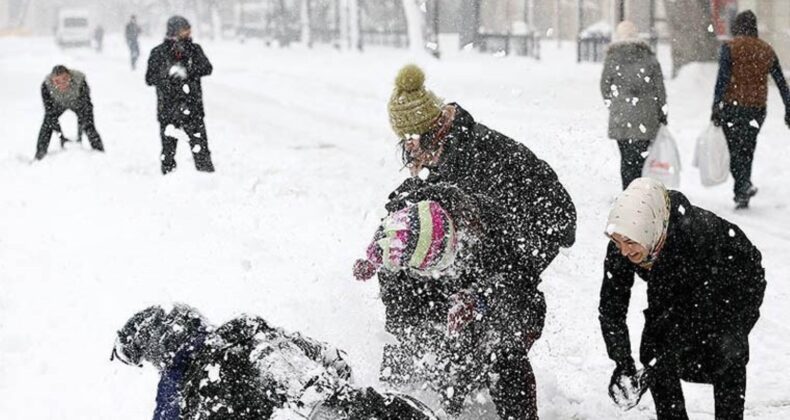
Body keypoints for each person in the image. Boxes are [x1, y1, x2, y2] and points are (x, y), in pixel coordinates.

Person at [366, 64, 577, 419]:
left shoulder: (486, 159)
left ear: (435, 132)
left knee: (497, 340)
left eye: (413, 145)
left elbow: (554, 226)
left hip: (524, 249)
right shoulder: (443, 159)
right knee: (418, 316)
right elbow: (408, 203)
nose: (411, 156)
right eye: (405, 146)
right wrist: (388, 240)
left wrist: (482, 294)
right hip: (476, 255)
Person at [598, 178, 766, 420]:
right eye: (617, 242)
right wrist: (622, 363)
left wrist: (655, 365)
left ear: (650, 231)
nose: (624, 250)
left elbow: (681, 313)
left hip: (734, 281)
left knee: (726, 352)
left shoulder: (693, 235)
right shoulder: (626, 237)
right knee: (654, 352)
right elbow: (611, 306)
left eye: (631, 243)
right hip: (683, 287)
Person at [111, 304, 436, 420]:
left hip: (235, 396)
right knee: (352, 405)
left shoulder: (179, 387)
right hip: (278, 363)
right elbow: (333, 359)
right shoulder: (244, 328)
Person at [711, 10, 790, 209]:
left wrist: (716, 105)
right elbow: (781, 81)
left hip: (732, 107)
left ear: (737, 26)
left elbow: (722, 80)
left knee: (735, 150)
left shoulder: (730, 47)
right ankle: (743, 189)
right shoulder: (766, 50)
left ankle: (742, 186)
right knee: (747, 148)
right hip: (757, 109)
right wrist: (788, 107)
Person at [600, 21, 668, 190]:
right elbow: (660, 88)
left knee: (626, 158)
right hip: (646, 115)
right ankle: (638, 191)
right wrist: (662, 112)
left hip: (621, 116)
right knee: (640, 159)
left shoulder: (612, 57)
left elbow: (605, 86)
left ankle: (628, 191)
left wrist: (615, 104)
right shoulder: (649, 57)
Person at [145, 16, 215, 174]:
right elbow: (149, 78)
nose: (189, 32)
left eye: (189, 28)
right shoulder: (158, 52)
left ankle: (208, 182)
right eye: (185, 29)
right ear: (174, 31)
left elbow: (207, 68)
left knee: (201, 150)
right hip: (168, 110)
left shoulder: (194, 49)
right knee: (168, 152)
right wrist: (167, 75)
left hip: (193, 108)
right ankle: (169, 183)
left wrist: (187, 72)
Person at [36, 65, 105, 160]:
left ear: (70, 76)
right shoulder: (46, 86)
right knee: (47, 124)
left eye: (65, 79)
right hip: (57, 104)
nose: (62, 84)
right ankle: (40, 154)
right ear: (52, 81)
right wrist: (61, 137)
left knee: (88, 125)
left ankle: (99, 152)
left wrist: (79, 135)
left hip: (77, 102)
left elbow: (86, 107)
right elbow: (50, 113)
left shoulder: (80, 81)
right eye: (57, 81)